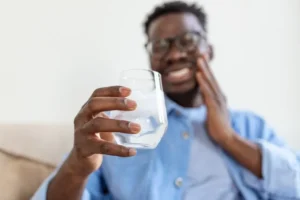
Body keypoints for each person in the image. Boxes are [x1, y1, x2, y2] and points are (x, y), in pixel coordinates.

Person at [32, 1, 300, 200]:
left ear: (209, 51)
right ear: (150, 59)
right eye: (160, 46)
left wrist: (228, 138)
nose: (173, 55)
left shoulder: (250, 126)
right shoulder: (118, 130)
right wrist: (77, 168)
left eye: (188, 40)